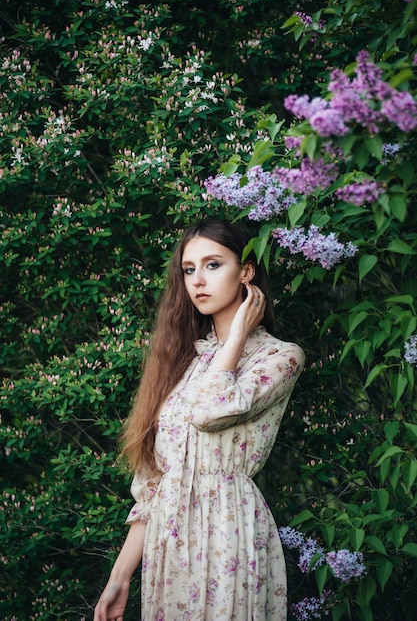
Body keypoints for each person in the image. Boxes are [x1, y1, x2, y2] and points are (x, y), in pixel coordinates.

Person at [94, 218, 304, 621]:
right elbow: (154, 482)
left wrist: (239, 334)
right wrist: (119, 578)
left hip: (228, 533)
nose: (197, 281)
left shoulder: (280, 357)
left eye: (212, 265)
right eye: (189, 269)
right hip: (168, 543)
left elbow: (211, 413)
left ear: (246, 272)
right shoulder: (182, 360)